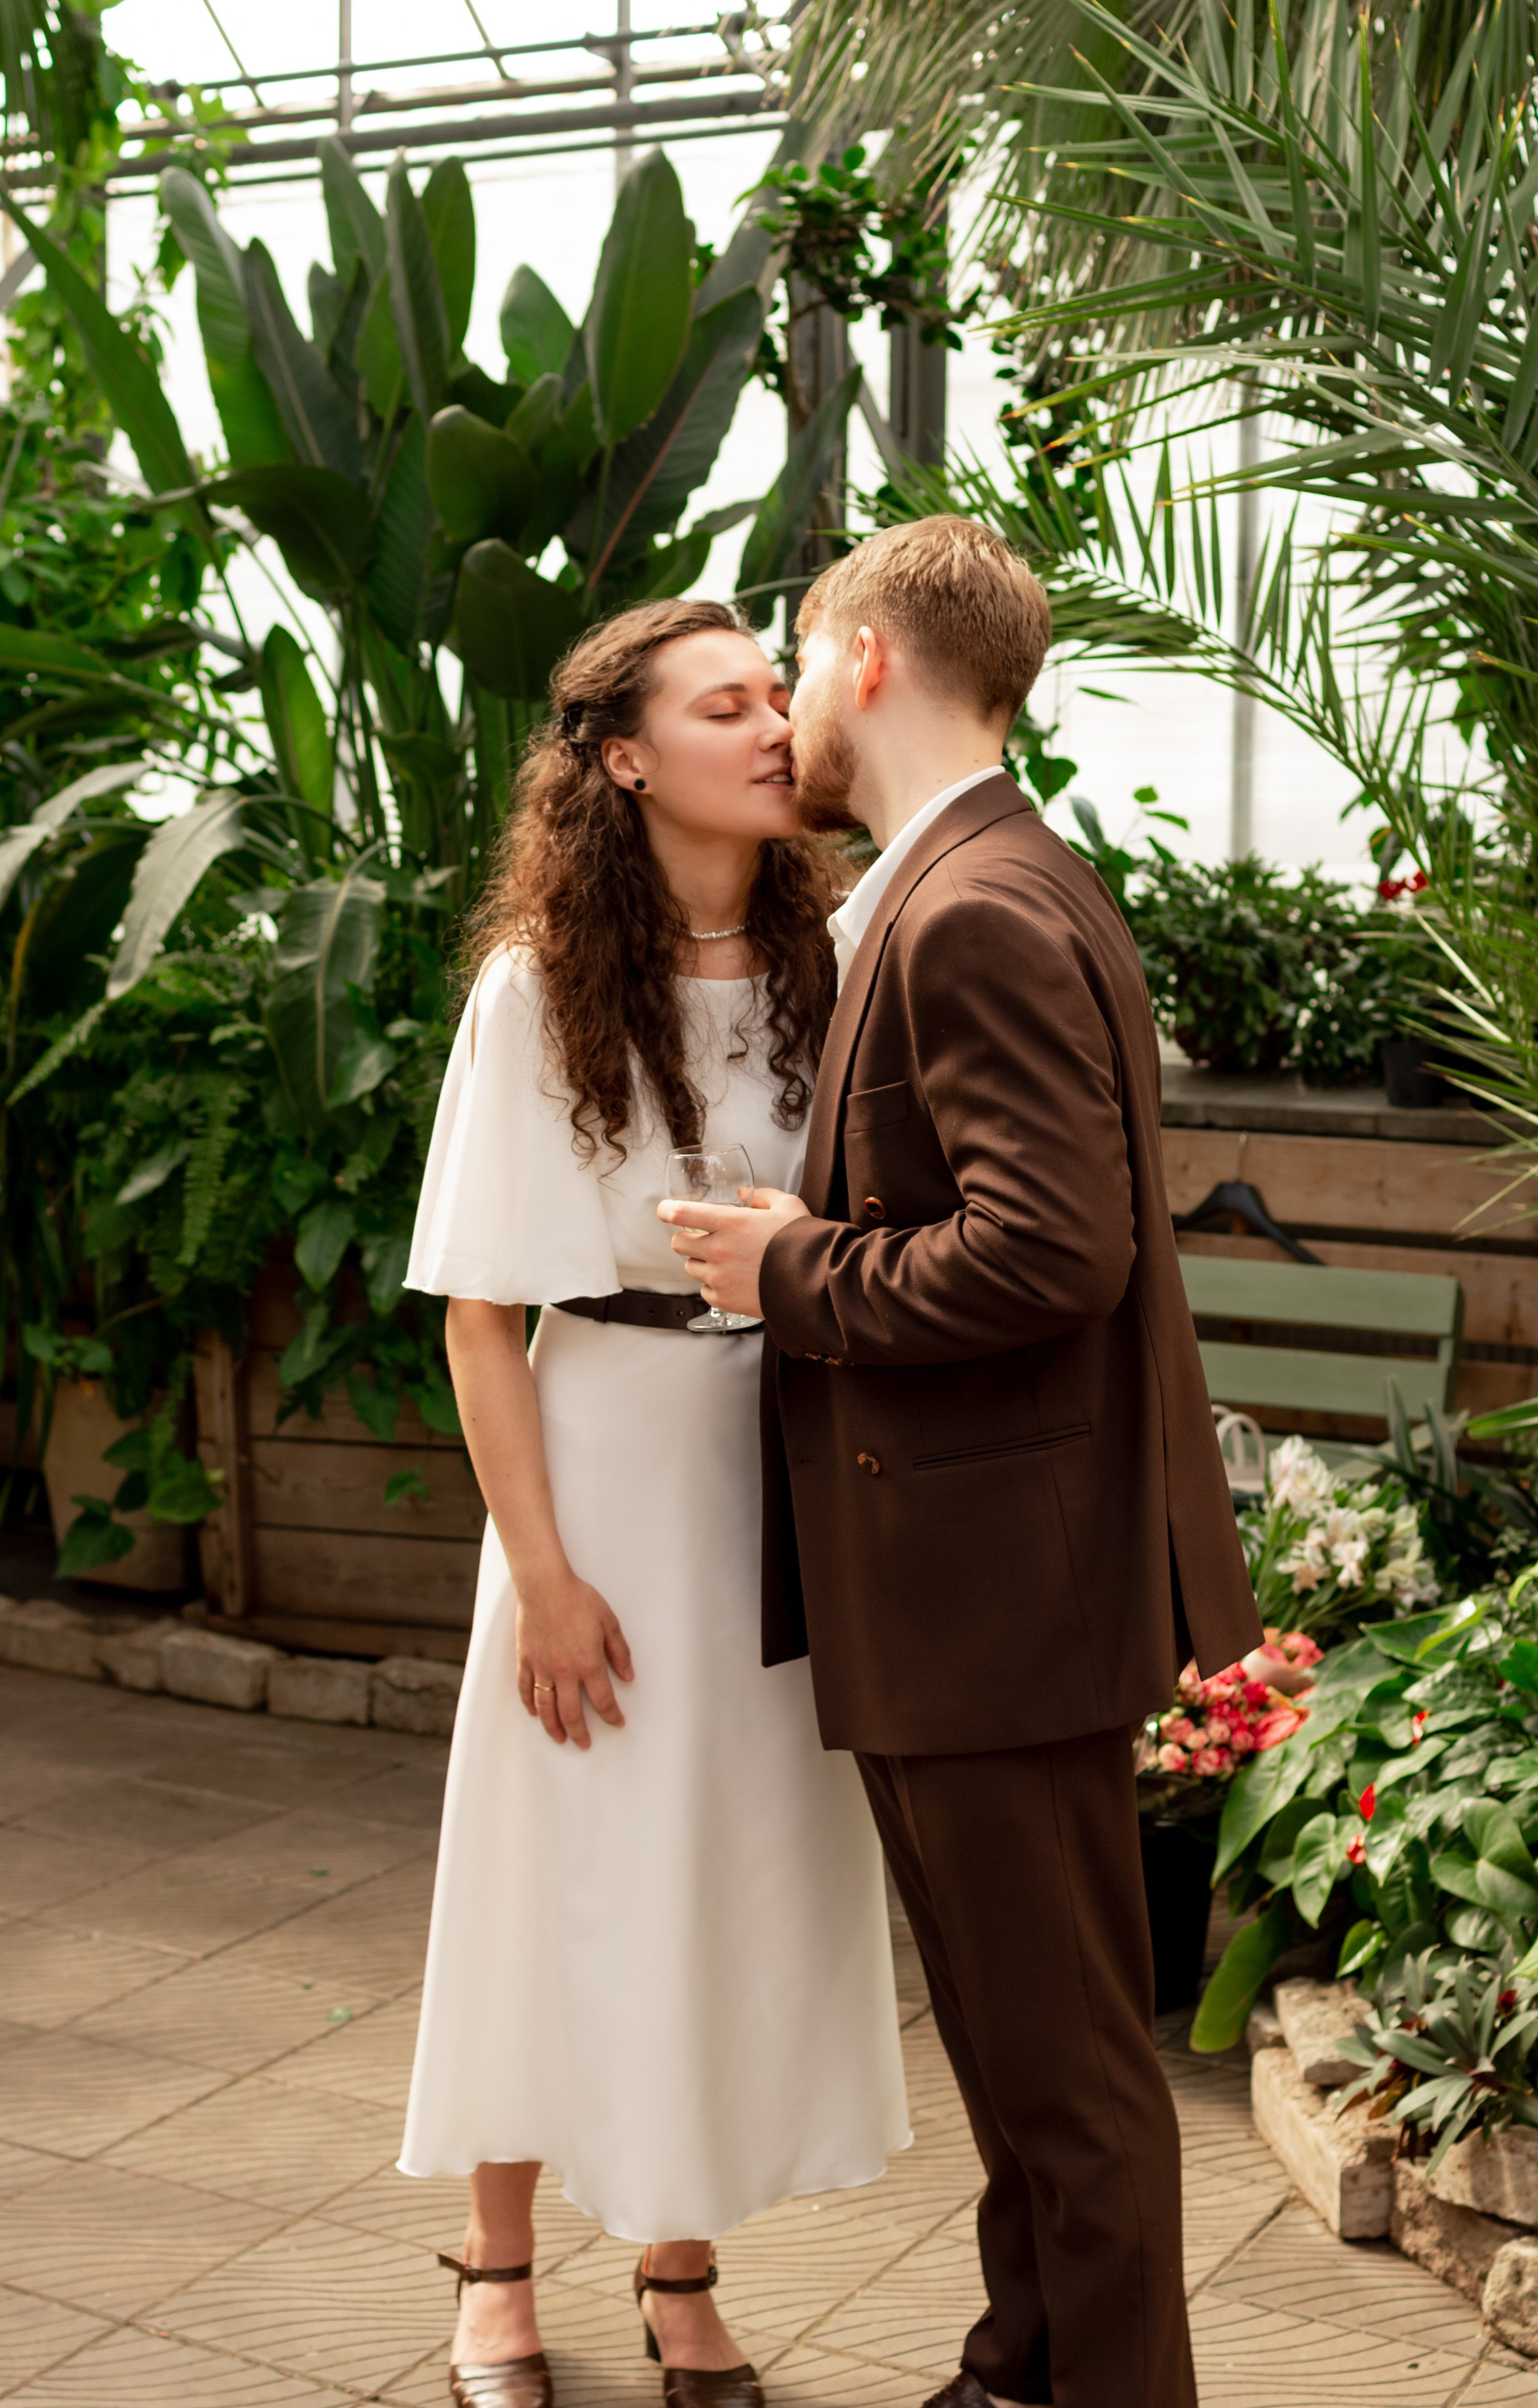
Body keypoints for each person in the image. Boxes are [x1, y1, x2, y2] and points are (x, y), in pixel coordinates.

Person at [659, 518, 1262, 2408]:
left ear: (868, 657)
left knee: (1068, 2078)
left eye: (796, 661)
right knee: (1019, 2055)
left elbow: (1054, 1252)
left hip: (996, 1597)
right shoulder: (980, 873)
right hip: (980, 1590)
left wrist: (793, 1269)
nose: (784, 712)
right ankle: (1022, 2369)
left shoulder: (974, 907)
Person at [399, 598, 909, 2408]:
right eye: (723, 706)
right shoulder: (534, 987)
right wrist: (541, 1577)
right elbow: (481, 1314)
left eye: (778, 694)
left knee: (725, 1872)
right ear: (622, 758)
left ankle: (680, 2270)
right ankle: (498, 2267)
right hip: (599, 1467)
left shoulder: (840, 957)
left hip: (783, 1470)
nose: (775, 726)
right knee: (552, 1858)